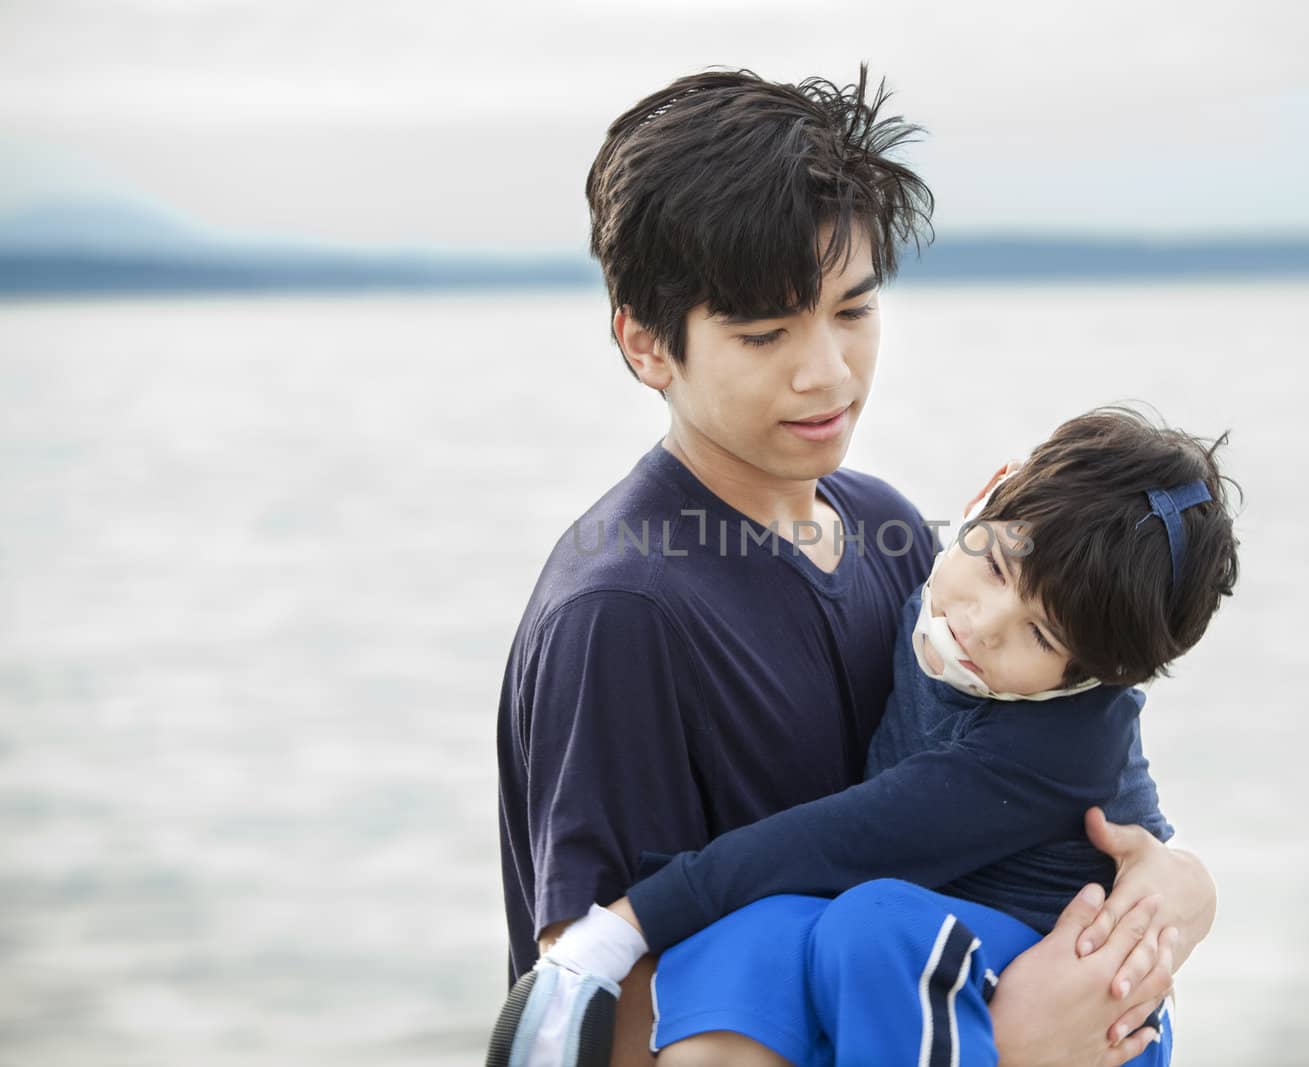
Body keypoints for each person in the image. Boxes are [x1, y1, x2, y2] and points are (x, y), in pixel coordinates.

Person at [495, 66, 1219, 1067]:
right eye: (763, 332)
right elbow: (599, 1020)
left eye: (851, 309)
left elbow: (1050, 785)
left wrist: (1181, 881)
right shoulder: (624, 611)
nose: (826, 372)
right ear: (646, 343)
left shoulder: (890, 530)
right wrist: (1001, 1043)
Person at [494, 410, 1239, 1067]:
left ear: (1098, 675)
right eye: (995, 562)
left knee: (868, 918)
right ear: (990, 491)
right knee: (746, 931)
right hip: (929, 955)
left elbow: (847, 838)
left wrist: (629, 920)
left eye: (1039, 634)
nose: (983, 620)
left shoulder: (1061, 743)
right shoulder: (926, 574)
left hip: (1079, 989)